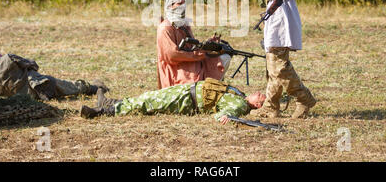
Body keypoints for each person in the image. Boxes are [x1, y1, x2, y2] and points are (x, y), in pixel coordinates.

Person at [245, 0, 316, 119]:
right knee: (272, 63)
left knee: (279, 65)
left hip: (281, 14)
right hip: (275, 12)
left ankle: (304, 98)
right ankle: (271, 105)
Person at [79, 78, 266, 125]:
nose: (258, 92)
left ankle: (101, 112)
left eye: (261, 96)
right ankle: (110, 102)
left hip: (186, 100)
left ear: (257, 105)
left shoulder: (241, 105)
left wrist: (225, 117)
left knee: (149, 102)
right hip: (187, 91)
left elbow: (224, 115)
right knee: (149, 97)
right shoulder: (240, 96)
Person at [0, 41, 109, 101]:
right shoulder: (8, 58)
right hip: (37, 85)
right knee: (67, 86)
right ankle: (93, 88)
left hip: (22, 99)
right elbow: (33, 65)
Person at [156, 0, 231, 88]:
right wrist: (195, 56)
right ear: (171, 6)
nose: (182, 6)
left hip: (192, 61)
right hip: (176, 68)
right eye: (179, 3)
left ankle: (212, 90)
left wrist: (208, 44)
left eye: (184, 3)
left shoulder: (184, 25)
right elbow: (171, 56)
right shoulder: (165, 28)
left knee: (224, 57)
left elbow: (192, 45)